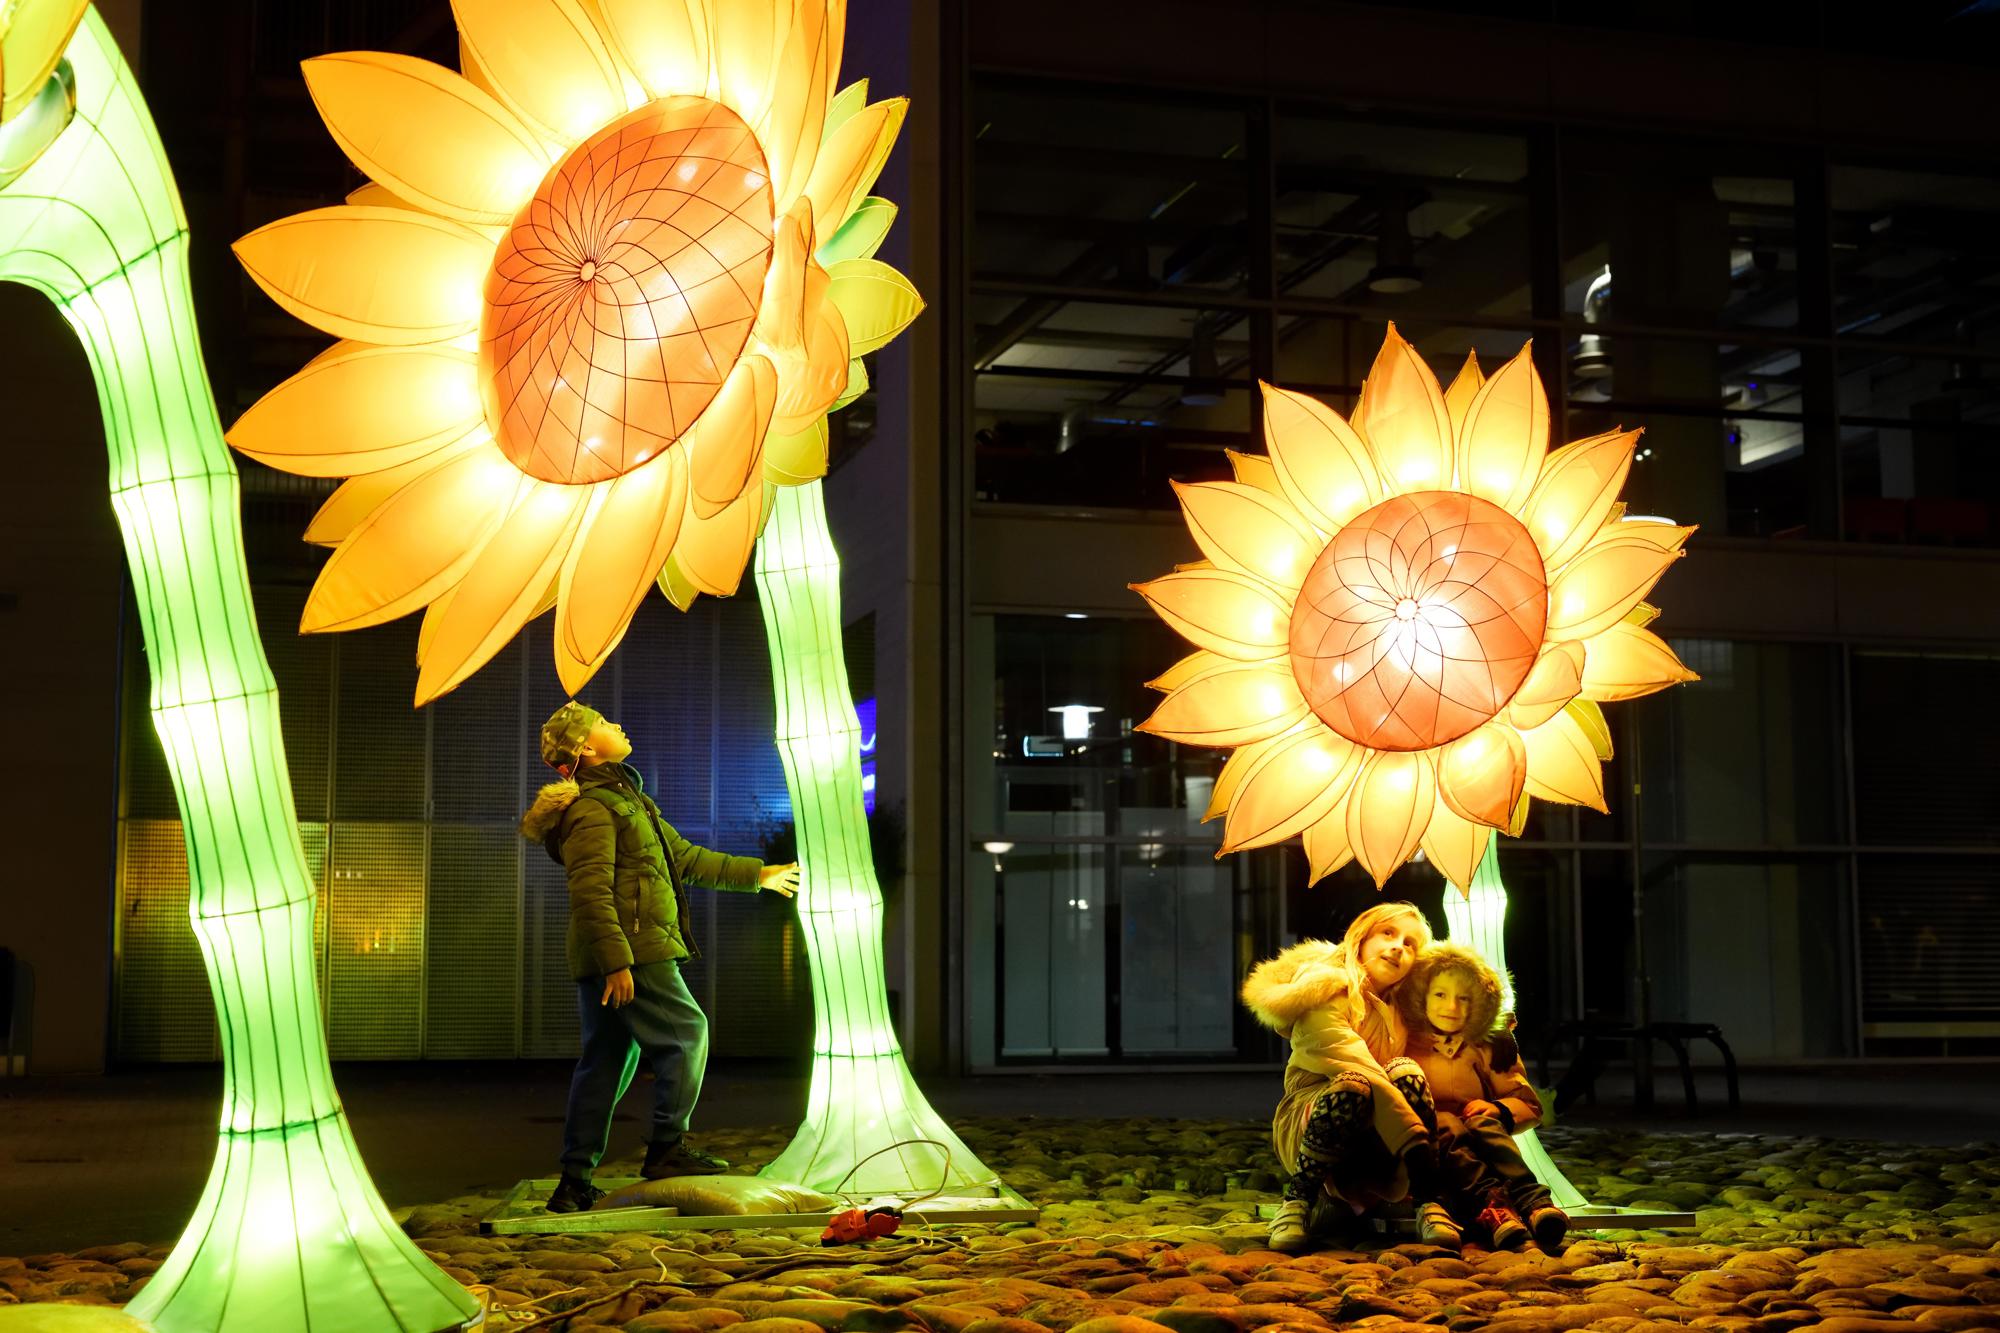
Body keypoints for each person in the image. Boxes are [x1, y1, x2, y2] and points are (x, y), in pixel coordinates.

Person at [521, 701, 802, 1214]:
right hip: (633, 950)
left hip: (618, 951)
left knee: (605, 1064)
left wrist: (758, 874)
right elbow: (590, 891)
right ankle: (668, 1148)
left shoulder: (625, 802)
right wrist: (617, 963)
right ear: (586, 747)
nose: (618, 725)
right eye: (604, 724)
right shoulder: (594, 809)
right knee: (687, 1032)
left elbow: (685, 860)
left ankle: (573, 1183)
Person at [1241, 901, 1465, 1253]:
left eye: (1410, 944)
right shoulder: (1324, 986)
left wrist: (1489, 1030)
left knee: (1408, 1071)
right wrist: (1415, 1140)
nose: (1398, 947)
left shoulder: (1399, 1008)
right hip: (1315, 1118)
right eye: (1388, 934)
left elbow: (1443, 1050)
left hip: (1378, 1130)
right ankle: (1297, 1202)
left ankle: (1427, 1203)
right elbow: (1355, 1062)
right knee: (1353, 1085)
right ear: (1361, 937)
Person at [1397, 941, 1567, 1250]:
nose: (1451, 1008)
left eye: (1464, 998)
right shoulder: (1405, 1041)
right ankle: (1493, 1208)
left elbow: (1527, 1102)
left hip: (1483, 1141)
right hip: (1435, 1154)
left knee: (1482, 1122)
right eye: (1440, 995)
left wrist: (1499, 1110)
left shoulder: (1486, 1045)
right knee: (1445, 1122)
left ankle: (1536, 1203)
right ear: (1420, 996)